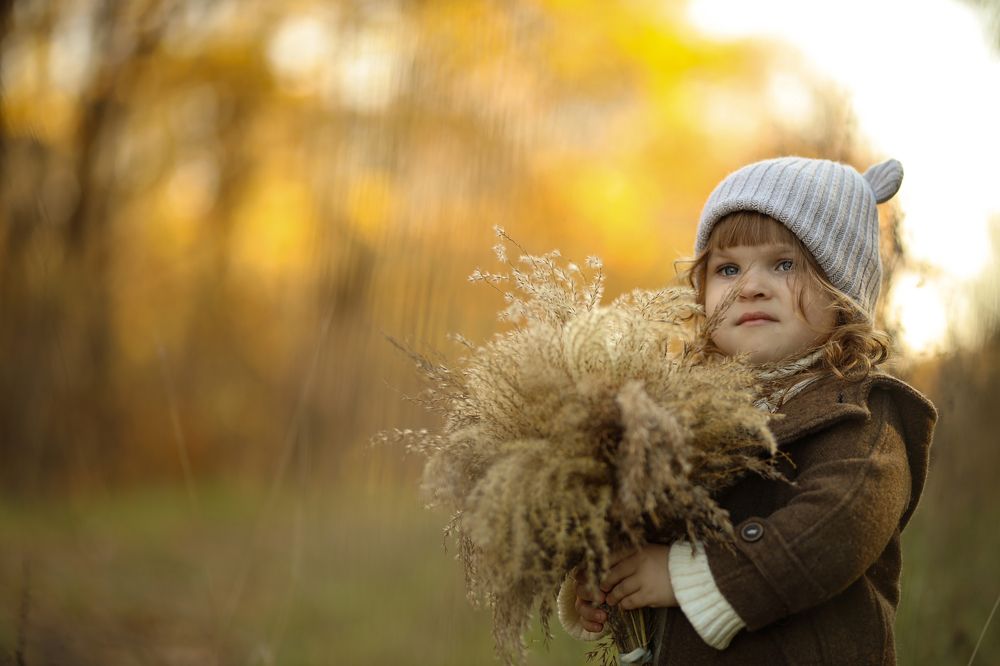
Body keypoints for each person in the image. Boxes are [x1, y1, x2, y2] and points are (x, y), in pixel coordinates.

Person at [556, 156, 937, 664]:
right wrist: (606, 584)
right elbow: (654, 527)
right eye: (728, 268)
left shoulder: (863, 414)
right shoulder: (683, 411)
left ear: (842, 293)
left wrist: (680, 574)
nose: (750, 285)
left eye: (784, 264)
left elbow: (838, 528)